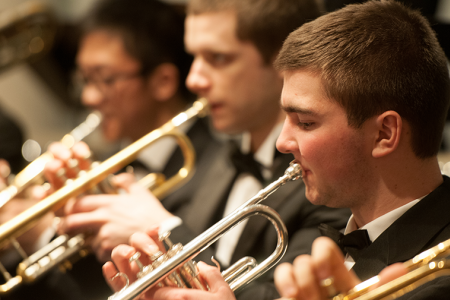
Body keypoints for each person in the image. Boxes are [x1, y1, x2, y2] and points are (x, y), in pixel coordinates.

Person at [104, 0, 450, 299]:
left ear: (383, 134)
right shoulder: (348, 231)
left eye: (305, 122)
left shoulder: (438, 279)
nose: (282, 143)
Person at [45, 0, 351, 299]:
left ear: (280, 62)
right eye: (194, 58)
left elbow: (279, 294)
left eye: (218, 58)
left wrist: (165, 231)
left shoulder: (328, 181)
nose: (194, 79)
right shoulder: (216, 161)